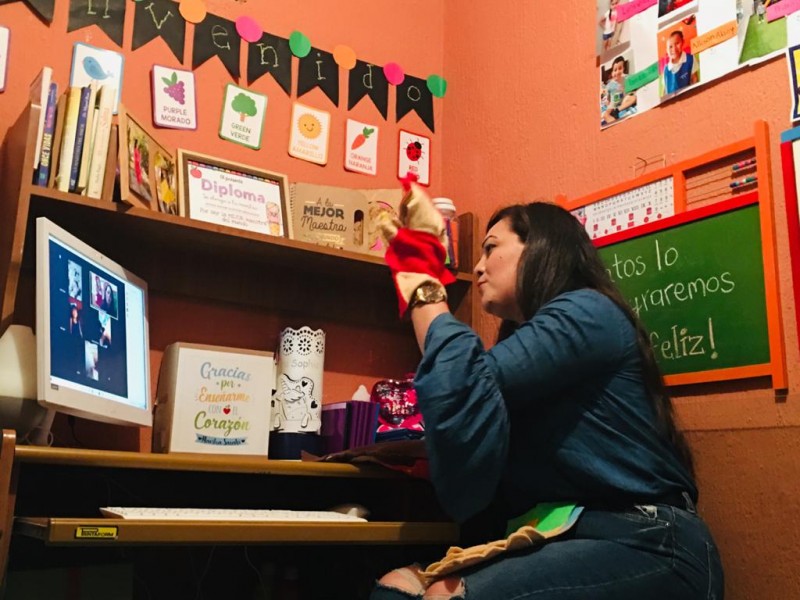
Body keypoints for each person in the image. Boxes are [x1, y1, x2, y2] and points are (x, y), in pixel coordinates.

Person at [371, 179, 724, 599]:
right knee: (398, 585)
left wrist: (423, 280)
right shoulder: (520, 351)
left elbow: (460, 384)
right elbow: (464, 394)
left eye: (491, 248)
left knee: (446, 596)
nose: (479, 267)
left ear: (540, 248)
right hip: (560, 534)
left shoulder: (589, 311)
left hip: (647, 538)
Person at [601, 56, 637, 125]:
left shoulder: (626, 78)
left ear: (623, 68)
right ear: (612, 73)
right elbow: (607, 97)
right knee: (610, 106)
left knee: (634, 97)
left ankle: (617, 111)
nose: (617, 72)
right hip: (614, 102)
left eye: (620, 68)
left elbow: (632, 89)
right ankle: (608, 115)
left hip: (623, 101)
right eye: (615, 70)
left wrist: (631, 92)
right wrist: (608, 102)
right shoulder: (611, 84)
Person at [662, 30, 699, 95]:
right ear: (667, 50)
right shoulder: (666, 69)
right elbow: (665, 90)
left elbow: (695, 79)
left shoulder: (690, 59)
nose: (674, 49)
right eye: (670, 47)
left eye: (677, 43)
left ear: (682, 42)